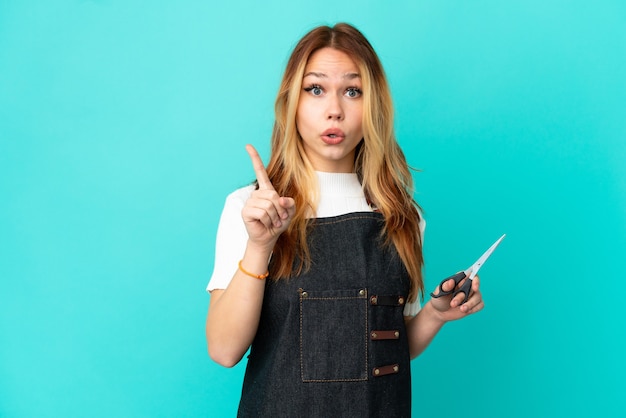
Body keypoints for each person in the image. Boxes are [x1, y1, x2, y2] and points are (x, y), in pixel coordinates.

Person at [205, 22, 484, 417]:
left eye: (353, 91)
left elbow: (388, 344)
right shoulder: (248, 208)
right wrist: (260, 245)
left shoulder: (405, 218)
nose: (334, 109)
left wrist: (435, 315)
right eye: (315, 89)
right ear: (292, 102)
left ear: (374, 106)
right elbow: (223, 350)